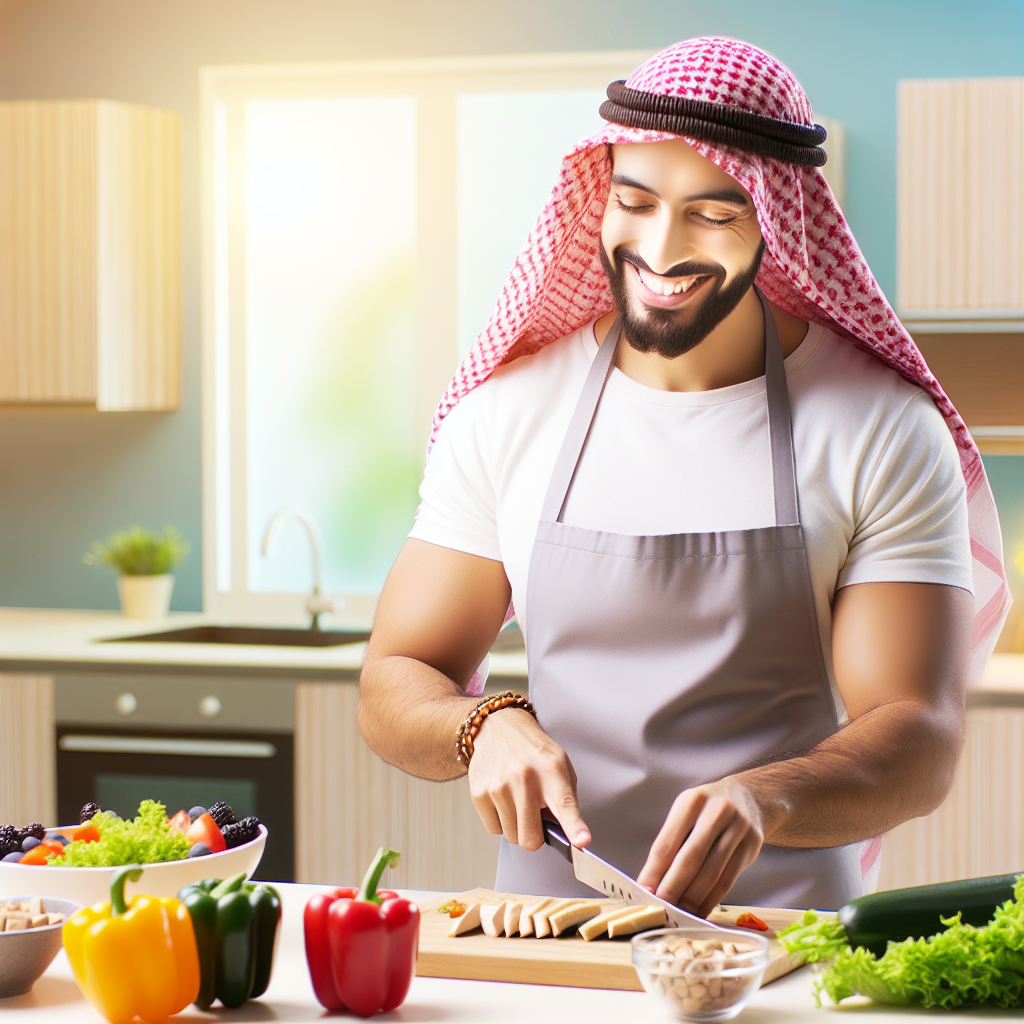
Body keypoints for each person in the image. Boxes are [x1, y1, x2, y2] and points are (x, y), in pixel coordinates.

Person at [359, 37, 1010, 913]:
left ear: (775, 221)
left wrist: (768, 797)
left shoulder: (880, 428)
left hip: (776, 939)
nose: (660, 249)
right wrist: (483, 725)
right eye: (635, 202)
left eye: (711, 213)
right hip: (550, 934)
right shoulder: (508, 413)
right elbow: (396, 677)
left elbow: (917, 736)